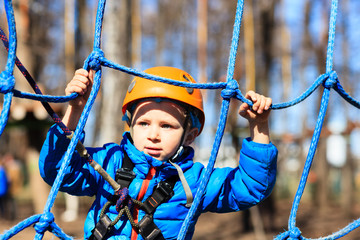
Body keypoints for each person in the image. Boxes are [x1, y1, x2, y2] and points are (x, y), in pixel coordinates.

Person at [39, 66, 277, 240]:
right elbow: (56, 169)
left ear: (190, 135)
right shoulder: (109, 162)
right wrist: (74, 111)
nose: (153, 135)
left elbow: (250, 187)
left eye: (167, 126)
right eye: (144, 124)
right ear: (129, 125)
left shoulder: (194, 181)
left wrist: (259, 128)